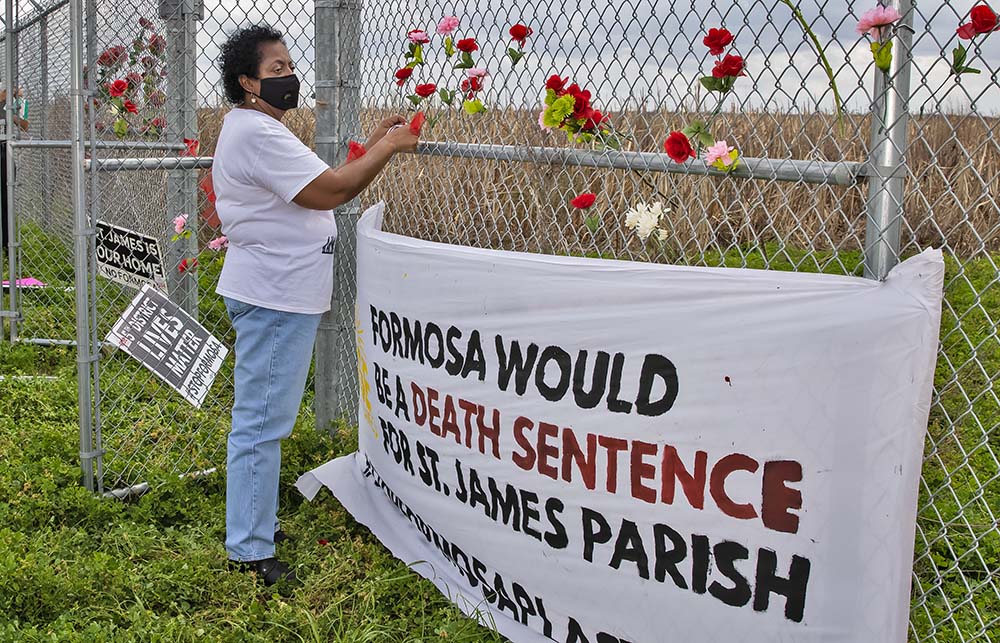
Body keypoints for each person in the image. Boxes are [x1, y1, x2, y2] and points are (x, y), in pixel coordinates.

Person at [213, 24, 418, 586]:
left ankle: (252, 523)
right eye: (275, 69)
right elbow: (330, 191)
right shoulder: (258, 133)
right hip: (274, 295)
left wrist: (374, 143)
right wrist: (388, 148)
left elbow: (318, 180)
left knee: (262, 416)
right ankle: (251, 550)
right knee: (261, 421)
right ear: (247, 81)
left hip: (272, 291)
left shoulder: (255, 127)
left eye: (288, 65)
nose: (288, 76)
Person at [0, 86, 29, 259]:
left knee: (6, 199)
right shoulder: (4, 92)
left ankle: (7, 245)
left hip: (4, 150)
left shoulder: (16, 98)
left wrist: (13, 106)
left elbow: (25, 125)